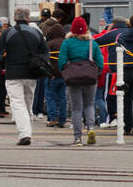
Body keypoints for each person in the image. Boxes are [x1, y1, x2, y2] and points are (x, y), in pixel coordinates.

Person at [0, 7, 45, 146]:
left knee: (18, 104)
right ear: (28, 18)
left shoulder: (8, 33)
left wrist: (2, 63)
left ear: (14, 18)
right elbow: (45, 52)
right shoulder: (36, 33)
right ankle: (27, 131)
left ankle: (25, 133)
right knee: (27, 103)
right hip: (32, 73)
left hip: (13, 73)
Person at [58, 16, 103, 146]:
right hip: (90, 77)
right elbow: (100, 62)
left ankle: (78, 138)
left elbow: (61, 61)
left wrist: (65, 72)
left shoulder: (67, 43)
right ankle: (91, 128)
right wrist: (96, 73)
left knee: (76, 108)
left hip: (73, 78)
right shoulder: (92, 43)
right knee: (89, 104)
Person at [43, 22, 67, 127]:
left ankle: (52, 118)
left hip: (52, 75)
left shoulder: (49, 44)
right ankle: (62, 119)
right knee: (62, 97)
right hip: (64, 75)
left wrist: (48, 73)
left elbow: (45, 61)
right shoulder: (66, 43)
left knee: (50, 97)